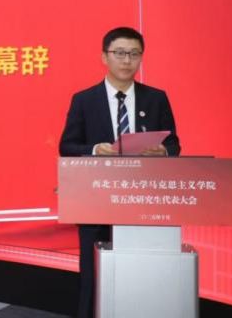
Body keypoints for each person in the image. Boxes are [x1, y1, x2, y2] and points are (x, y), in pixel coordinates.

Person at [59, 27, 180, 318]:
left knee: (142, 274)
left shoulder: (156, 98)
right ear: (105, 57)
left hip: (143, 202)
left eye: (134, 54)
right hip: (96, 201)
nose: (127, 61)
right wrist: (95, 149)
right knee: (93, 276)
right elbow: (67, 146)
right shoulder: (84, 99)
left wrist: (162, 152)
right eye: (120, 53)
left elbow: (174, 144)